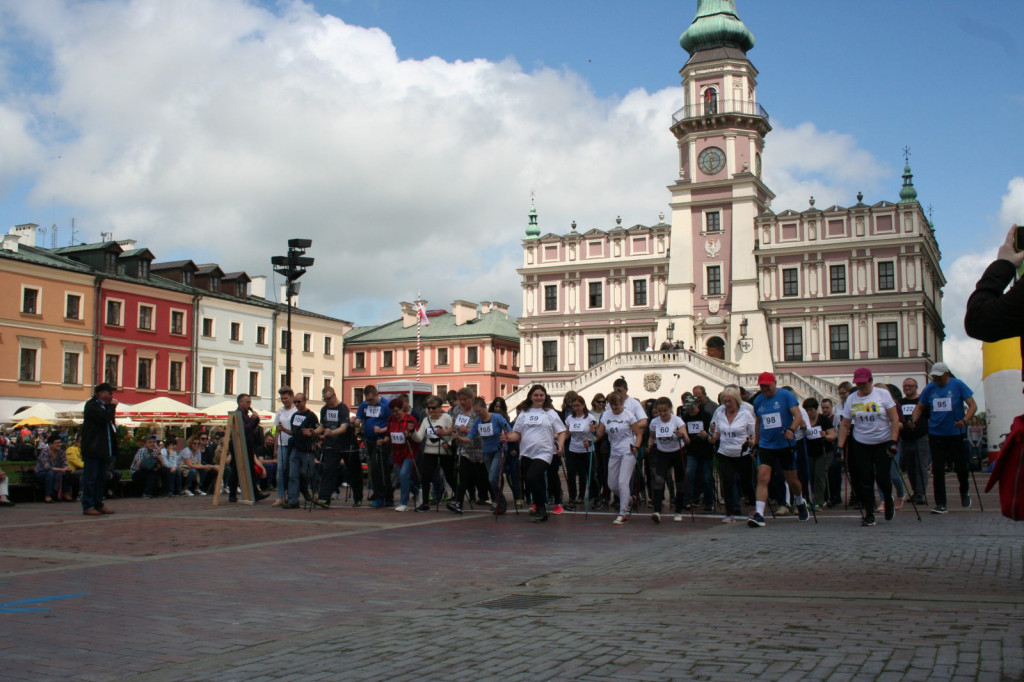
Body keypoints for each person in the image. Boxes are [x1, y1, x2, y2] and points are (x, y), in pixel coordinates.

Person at [911, 362, 978, 514]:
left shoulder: (958, 384)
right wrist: (913, 419)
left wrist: (965, 421)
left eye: (939, 377)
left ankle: (964, 491)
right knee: (938, 469)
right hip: (936, 433)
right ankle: (941, 503)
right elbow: (920, 407)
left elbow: (973, 406)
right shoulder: (930, 387)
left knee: (961, 467)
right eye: (934, 377)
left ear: (946, 374)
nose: (936, 379)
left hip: (956, 433)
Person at [836, 368, 901, 526]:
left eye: (864, 384)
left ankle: (888, 500)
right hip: (861, 443)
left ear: (871, 381)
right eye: (858, 384)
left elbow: (894, 419)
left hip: (882, 441)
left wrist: (893, 442)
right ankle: (869, 513)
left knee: (882, 476)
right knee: (865, 479)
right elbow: (845, 425)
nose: (861, 387)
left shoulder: (882, 394)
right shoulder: (852, 399)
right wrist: (840, 447)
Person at [749, 372, 807, 527]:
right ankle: (759, 514)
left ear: (774, 383)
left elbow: (798, 415)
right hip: (767, 445)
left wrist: (791, 430)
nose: (765, 388)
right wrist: (756, 442)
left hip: (785, 444)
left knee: (792, 480)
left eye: (767, 385)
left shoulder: (786, 395)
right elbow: (759, 422)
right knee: (763, 477)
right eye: (762, 386)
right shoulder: (759, 400)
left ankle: (800, 501)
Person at [501, 385, 566, 523]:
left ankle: (541, 507)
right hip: (526, 453)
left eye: (541, 395)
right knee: (535, 481)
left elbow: (562, 431)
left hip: (544, 452)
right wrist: (507, 437)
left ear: (545, 397)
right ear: (530, 396)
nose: (539, 398)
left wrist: (560, 446)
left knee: (532, 477)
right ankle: (541, 510)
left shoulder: (550, 413)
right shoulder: (524, 413)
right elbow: (516, 434)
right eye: (536, 395)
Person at [710, 386, 756, 523]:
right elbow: (717, 431)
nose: (727, 404)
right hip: (725, 452)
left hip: (742, 453)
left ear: (736, 401)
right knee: (727, 483)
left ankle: (753, 506)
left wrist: (753, 442)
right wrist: (711, 437)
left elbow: (754, 432)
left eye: (730, 401)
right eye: (725, 401)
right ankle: (730, 512)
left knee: (746, 483)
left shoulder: (746, 414)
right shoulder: (720, 413)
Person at [599, 391, 642, 525]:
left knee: (623, 481)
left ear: (621, 403)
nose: (614, 408)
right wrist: (592, 434)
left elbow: (638, 434)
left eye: (616, 405)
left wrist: (636, 446)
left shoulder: (629, 415)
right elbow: (600, 433)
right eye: (612, 405)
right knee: (612, 484)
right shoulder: (606, 415)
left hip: (628, 451)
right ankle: (629, 499)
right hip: (614, 452)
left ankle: (623, 512)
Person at [468, 397, 512, 512]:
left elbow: (508, 428)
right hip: (486, 451)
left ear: (484, 407)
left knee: (493, 477)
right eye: (475, 412)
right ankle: (497, 501)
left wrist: (506, 436)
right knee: (492, 478)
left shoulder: (496, 417)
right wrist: (458, 437)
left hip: (498, 449)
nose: (477, 414)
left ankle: (500, 501)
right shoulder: (478, 421)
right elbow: (470, 436)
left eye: (479, 411)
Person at [80, 382, 118, 516]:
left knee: (101, 478)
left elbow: (110, 423)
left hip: (103, 449)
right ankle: (88, 505)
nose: (111, 395)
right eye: (109, 393)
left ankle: (98, 504)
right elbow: (104, 418)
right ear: (100, 393)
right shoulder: (92, 405)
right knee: (90, 479)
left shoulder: (104, 407)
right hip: (93, 448)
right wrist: (111, 407)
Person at [411, 396, 455, 512]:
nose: (430, 410)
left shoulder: (446, 418)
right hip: (429, 452)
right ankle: (425, 503)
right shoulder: (426, 420)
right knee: (425, 477)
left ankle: (457, 498)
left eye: (433, 408)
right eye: (428, 408)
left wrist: (449, 444)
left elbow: (453, 434)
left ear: (440, 408)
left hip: (444, 451)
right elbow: (419, 438)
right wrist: (412, 432)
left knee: (449, 476)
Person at [648, 396, 687, 523]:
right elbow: (652, 437)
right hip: (662, 453)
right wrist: (650, 445)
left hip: (677, 452)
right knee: (658, 480)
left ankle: (678, 511)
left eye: (665, 411)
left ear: (670, 409)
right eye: (660, 411)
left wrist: (681, 436)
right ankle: (657, 511)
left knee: (679, 482)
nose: (663, 414)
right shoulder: (654, 422)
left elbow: (688, 440)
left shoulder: (677, 421)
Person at [313, 386, 352, 509]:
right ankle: (324, 498)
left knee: (352, 471)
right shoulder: (324, 409)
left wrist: (332, 432)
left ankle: (358, 496)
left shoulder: (343, 408)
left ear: (334, 396)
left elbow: (344, 427)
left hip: (344, 445)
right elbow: (322, 426)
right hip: (330, 446)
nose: (327, 402)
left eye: (328, 399)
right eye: (324, 399)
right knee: (328, 470)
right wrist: (314, 432)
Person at [354, 385, 392, 508]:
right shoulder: (364, 405)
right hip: (369, 441)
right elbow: (359, 418)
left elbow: (392, 424)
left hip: (382, 441)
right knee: (374, 469)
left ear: (377, 395)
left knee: (380, 468)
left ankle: (383, 496)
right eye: (367, 400)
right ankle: (379, 494)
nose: (369, 402)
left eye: (371, 399)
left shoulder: (385, 405)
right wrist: (356, 423)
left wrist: (381, 430)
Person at [448, 388, 483, 514]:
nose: (462, 402)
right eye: (460, 399)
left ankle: (495, 499)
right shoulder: (457, 410)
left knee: (482, 478)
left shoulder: (477, 411)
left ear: (471, 399)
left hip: (477, 448)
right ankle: (459, 502)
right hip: (462, 448)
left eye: (465, 399)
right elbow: (453, 427)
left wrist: (469, 431)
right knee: (462, 474)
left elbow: (482, 429)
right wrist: (446, 432)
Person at [382, 396, 418, 511]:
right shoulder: (390, 420)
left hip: (409, 451)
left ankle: (403, 503)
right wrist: (383, 440)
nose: (395, 414)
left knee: (403, 475)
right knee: (403, 477)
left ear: (402, 409)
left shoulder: (410, 419)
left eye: (397, 411)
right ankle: (418, 492)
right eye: (393, 412)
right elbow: (388, 434)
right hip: (397, 452)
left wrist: (410, 434)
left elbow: (416, 435)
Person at [898, 377, 930, 505]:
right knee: (910, 467)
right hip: (906, 439)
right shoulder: (900, 402)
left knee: (921, 466)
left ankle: (921, 493)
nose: (907, 388)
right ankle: (915, 491)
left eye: (910, 386)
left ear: (916, 387)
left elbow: (929, 418)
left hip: (920, 437)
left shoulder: (922, 402)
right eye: (905, 386)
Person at [681, 395, 715, 512]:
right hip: (691, 451)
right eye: (688, 408)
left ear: (697, 405)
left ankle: (709, 502)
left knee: (707, 477)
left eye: (692, 407)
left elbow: (712, 432)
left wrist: (707, 435)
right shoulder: (685, 418)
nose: (690, 410)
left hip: (705, 451)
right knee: (689, 474)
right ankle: (688, 500)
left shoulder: (706, 416)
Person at [285, 393, 319, 509]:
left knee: (308, 473)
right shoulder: (294, 416)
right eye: (295, 402)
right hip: (295, 447)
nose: (297, 404)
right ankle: (293, 499)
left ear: (305, 402)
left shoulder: (311, 416)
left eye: (299, 402)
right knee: (293, 474)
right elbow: (294, 431)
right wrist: (282, 430)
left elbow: (317, 432)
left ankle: (315, 494)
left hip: (307, 449)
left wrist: (310, 432)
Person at [800, 397, 836, 511]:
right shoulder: (803, 420)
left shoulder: (823, 420)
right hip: (810, 453)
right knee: (810, 476)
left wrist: (824, 435)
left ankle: (819, 501)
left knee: (819, 475)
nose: (809, 413)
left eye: (811, 410)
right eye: (807, 410)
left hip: (824, 452)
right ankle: (809, 498)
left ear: (816, 409)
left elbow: (832, 436)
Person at [564, 394, 598, 510]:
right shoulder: (570, 418)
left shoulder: (590, 418)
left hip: (587, 450)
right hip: (573, 449)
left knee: (590, 474)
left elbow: (595, 433)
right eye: (573, 406)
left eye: (578, 405)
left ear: (583, 405)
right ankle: (572, 498)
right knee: (571, 474)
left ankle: (595, 496)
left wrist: (590, 439)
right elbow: (567, 433)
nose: (575, 408)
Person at [272, 387, 297, 507]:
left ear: (291, 397)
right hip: (282, 444)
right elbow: (275, 428)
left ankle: (292, 495)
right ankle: (281, 496)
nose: (284, 401)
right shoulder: (279, 411)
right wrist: (275, 446)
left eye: (286, 398)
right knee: (280, 470)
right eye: (282, 398)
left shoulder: (296, 411)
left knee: (292, 471)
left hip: (293, 444)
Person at [36, 434, 71, 503]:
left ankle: (66, 494)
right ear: (50, 444)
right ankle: (48, 495)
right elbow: (47, 467)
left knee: (67, 473)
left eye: (60, 442)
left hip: (56, 472)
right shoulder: (45, 452)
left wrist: (66, 468)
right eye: (57, 443)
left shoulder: (61, 452)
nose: (59, 444)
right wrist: (61, 470)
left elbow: (65, 463)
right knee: (50, 473)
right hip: (42, 473)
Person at [131, 434, 164, 499]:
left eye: (154, 442)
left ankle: (166, 491)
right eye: (149, 442)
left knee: (164, 469)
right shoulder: (142, 450)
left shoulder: (155, 451)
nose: (152, 444)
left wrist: (159, 452)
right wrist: (151, 467)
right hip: (137, 473)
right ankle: (147, 493)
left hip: (150, 471)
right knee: (151, 472)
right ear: (145, 444)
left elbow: (162, 464)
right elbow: (138, 466)